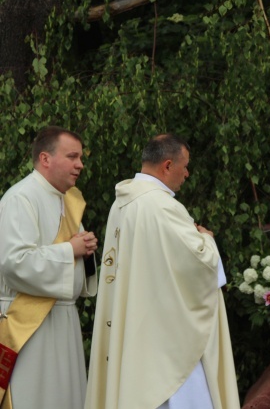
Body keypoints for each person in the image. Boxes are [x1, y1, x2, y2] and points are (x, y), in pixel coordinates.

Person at [85, 134, 240, 409]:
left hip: (139, 327)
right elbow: (200, 263)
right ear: (167, 165)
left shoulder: (121, 203)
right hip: (168, 338)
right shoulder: (162, 206)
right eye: (185, 165)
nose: (187, 173)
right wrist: (207, 239)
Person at [0, 126, 98, 409]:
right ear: (45, 159)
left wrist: (86, 250)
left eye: (80, 157)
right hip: (28, 326)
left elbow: (72, 259)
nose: (80, 164)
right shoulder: (21, 198)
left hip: (62, 320)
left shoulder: (67, 202)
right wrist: (71, 250)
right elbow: (15, 263)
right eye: (72, 156)